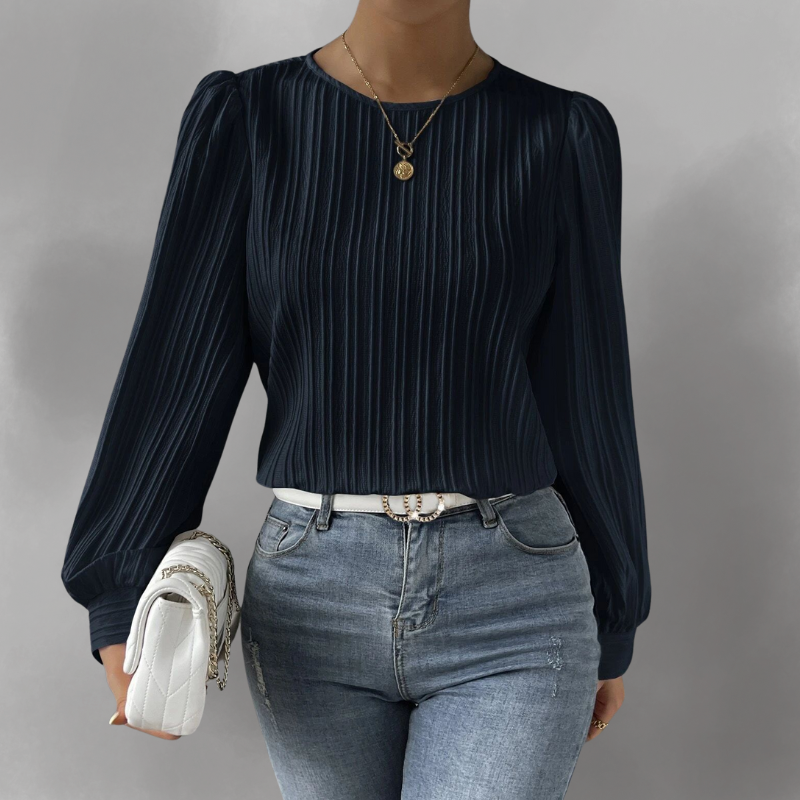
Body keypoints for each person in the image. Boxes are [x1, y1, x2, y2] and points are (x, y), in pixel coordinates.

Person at [60, 1, 651, 797]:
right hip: (313, 598)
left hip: (515, 596)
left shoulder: (560, 134)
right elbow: (176, 366)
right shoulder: (247, 120)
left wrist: (612, 611)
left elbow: (587, 389)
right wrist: (120, 588)